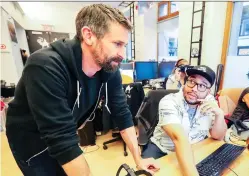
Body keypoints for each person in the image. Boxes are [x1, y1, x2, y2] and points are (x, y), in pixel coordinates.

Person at [6, 4, 159, 176]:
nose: (122, 54)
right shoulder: (45, 66)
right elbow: (61, 140)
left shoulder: (109, 68)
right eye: (117, 44)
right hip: (32, 142)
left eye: (124, 45)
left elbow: (122, 114)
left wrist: (138, 160)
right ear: (88, 35)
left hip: (64, 133)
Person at [142, 65, 227, 176]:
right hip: (162, 150)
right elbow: (179, 139)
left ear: (208, 91)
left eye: (202, 85)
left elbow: (218, 136)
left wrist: (219, 115)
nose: (194, 89)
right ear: (185, 82)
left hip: (194, 149)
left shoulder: (210, 102)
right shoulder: (169, 101)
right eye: (192, 81)